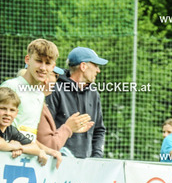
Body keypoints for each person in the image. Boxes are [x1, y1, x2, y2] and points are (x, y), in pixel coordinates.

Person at [1, 39, 62, 168]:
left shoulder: (40, 95)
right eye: (39, 61)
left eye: (48, 63)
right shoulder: (11, 87)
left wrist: (50, 151)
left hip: (26, 159)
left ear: (53, 67)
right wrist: (13, 146)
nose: (43, 68)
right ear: (27, 60)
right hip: (6, 158)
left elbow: (29, 137)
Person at [46, 46, 107, 158]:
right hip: (58, 161)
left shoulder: (94, 93)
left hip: (86, 164)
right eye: (96, 65)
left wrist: (96, 158)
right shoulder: (54, 90)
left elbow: (99, 130)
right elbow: (46, 130)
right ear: (83, 66)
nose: (98, 70)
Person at [37, 68, 94, 151]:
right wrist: (68, 128)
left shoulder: (38, 102)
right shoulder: (35, 105)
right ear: (45, 79)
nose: (56, 82)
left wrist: (72, 128)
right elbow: (49, 145)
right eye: (55, 76)